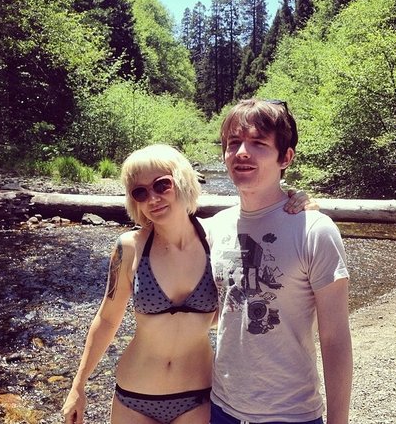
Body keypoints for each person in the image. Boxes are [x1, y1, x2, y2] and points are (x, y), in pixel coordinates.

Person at [62, 143, 316, 424]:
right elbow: (108, 319)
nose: (153, 198)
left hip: (198, 396)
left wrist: (299, 203)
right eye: (140, 192)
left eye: (162, 185)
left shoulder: (218, 238)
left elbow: (262, 219)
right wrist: (78, 386)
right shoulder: (129, 248)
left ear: (182, 181)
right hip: (134, 396)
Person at [206, 99, 353, 424]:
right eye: (233, 142)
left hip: (292, 414)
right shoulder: (215, 227)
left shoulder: (315, 230)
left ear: (285, 157)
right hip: (221, 409)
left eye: (258, 143)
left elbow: (335, 338)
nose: (242, 152)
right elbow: (219, 314)